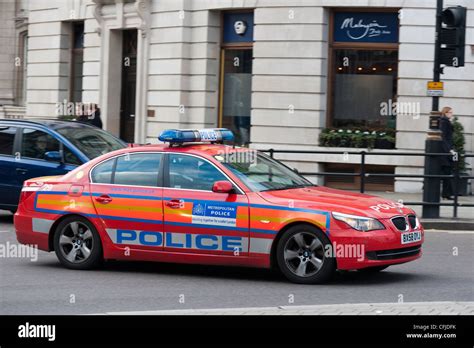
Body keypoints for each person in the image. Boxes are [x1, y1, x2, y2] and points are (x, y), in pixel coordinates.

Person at [439, 106, 455, 199]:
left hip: (445, 151)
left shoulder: (445, 122)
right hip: (445, 152)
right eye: (450, 112)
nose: (451, 114)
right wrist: (449, 150)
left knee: (446, 173)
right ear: (445, 113)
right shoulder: (444, 122)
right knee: (446, 173)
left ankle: (447, 194)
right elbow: (444, 138)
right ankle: (446, 194)